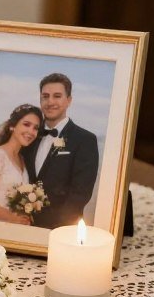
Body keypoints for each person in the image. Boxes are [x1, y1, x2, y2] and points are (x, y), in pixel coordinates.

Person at [24, 73, 100, 228]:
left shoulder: (85, 140)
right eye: (45, 96)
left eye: (57, 96)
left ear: (69, 100)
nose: (50, 102)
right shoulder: (29, 136)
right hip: (23, 225)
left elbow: (80, 194)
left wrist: (57, 230)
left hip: (60, 228)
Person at [0, 104, 43, 224]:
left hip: (16, 229)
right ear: (13, 126)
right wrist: (13, 219)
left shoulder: (21, 159)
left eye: (35, 128)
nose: (31, 131)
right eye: (26, 124)